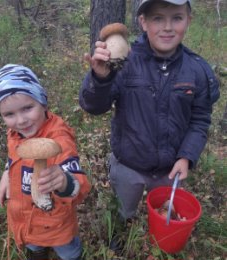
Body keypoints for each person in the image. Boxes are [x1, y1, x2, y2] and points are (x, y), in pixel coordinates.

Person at [79, 0, 219, 252]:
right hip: (128, 164)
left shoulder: (197, 70)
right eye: (157, 18)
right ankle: (120, 238)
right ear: (143, 22)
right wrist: (100, 78)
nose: (167, 27)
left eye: (176, 18)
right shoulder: (122, 62)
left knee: (166, 211)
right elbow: (93, 107)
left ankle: (160, 244)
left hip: (170, 168)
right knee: (124, 208)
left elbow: (199, 120)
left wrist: (187, 156)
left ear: (189, 20)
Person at [0, 64, 91, 260]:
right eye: (9, 114)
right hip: (26, 221)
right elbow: (14, 154)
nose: (21, 120)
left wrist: (64, 181)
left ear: (43, 103)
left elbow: (80, 185)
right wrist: (7, 172)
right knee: (35, 249)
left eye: (28, 108)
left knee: (69, 252)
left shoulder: (59, 139)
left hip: (56, 225)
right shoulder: (15, 133)